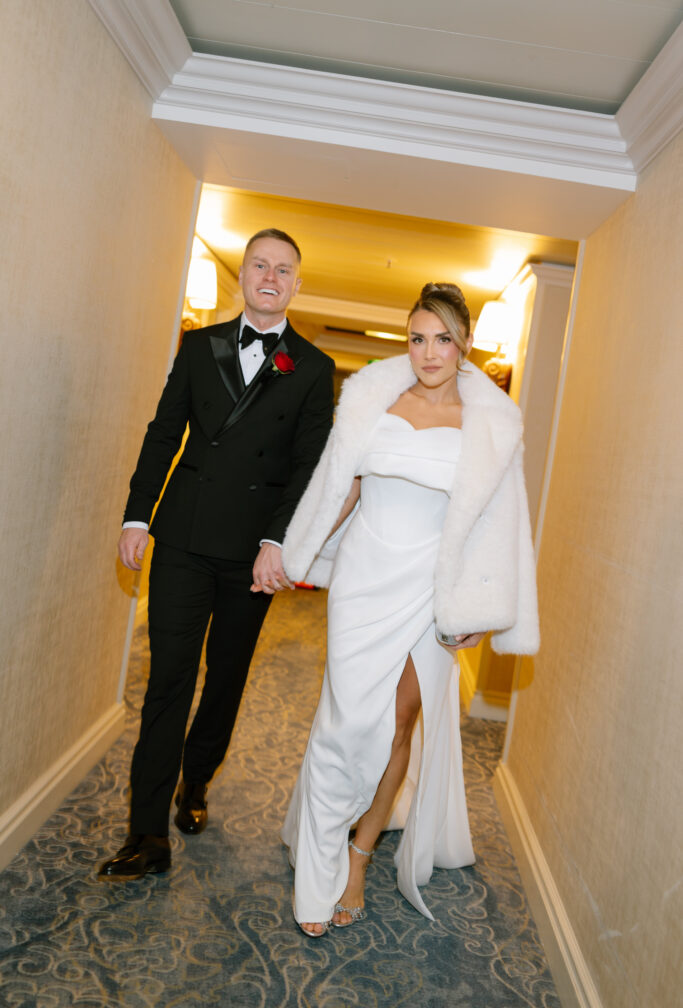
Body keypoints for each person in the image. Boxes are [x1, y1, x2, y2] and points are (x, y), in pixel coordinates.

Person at [277, 282, 540, 936]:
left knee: (397, 722)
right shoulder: (372, 400)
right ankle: (320, 849)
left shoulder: (491, 425)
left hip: (431, 590)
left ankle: (358, 856)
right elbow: (345, 488)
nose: (428, 352)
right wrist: (296, 550)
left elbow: (500, 521)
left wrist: (485, 602)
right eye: (417, 338)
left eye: (442, 339)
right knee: (343, 722)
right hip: (364, 581)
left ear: (464, 345)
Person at [99, 229, 334, 880]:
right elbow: (163, 430)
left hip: (250, 558)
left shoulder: (313, 369)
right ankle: (145, 835)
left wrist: (276, 541)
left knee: (224, 679)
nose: (270, 276)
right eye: (259, 264)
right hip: (181, 538)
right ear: (243, 275)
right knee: (168, 680)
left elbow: (308, 466)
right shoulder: (199, 347)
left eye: (284, 269)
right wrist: (137, 513)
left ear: (295, 283)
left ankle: (195, 782)